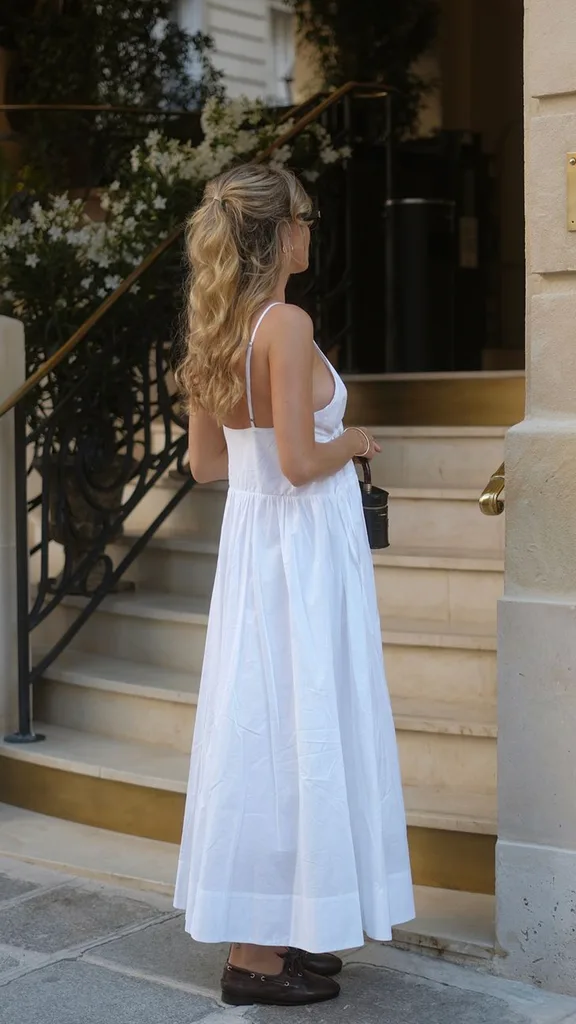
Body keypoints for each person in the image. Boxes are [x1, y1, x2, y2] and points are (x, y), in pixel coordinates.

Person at [174, 163, 414, 1008]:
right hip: (303, 557)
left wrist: (295, 456)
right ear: (279, 234)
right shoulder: (285, 323)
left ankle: (275, 935)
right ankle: (255, 961)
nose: (313, 232)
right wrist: (352, 440)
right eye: (305, 218)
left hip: (254, 551)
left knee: (268, 732)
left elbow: (207, 465)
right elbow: (302, 459)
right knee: (300, 727)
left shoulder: (216, 325)